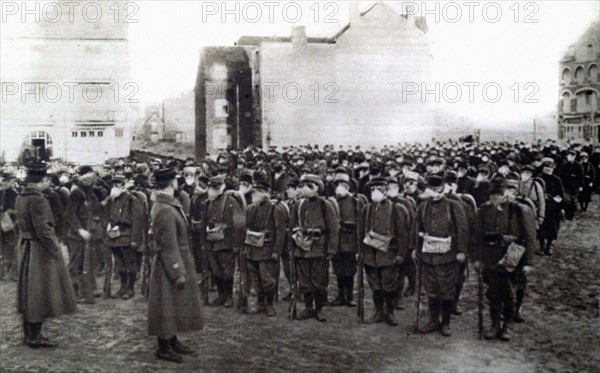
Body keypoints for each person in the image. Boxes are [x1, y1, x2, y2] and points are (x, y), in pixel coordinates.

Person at [15, 161, 76, 348]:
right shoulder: (38, 199)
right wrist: (55, 249)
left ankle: (29, 335)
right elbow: (43, 229)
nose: (48, 183)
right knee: (38, 293)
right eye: (46, 180)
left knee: (27, 293)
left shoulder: (21, 197)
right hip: (39, 250)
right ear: (41, 179)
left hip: (26, 246)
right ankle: (35, 336)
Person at [148, 167, 202, 363]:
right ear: (172, 183)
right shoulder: (164, 208)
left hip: (176, 260)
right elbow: (168, 245)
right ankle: (163, 346)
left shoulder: (166, 204)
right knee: (165, 305)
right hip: (169, 264)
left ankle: (172, 340)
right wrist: (177, 271)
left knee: (173, 304)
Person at [474, 177, 535, 341]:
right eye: (493, 195)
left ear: (507, 193)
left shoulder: (519, 210)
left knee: (509, 293)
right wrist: (477, 259)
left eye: (499, 194)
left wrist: (528, 262)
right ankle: (495, 325)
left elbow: (529, 237)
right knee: (493, 293)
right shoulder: (483, 211)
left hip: (513, 255)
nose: (496, 198)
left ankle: (506, 325)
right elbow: (477, 237)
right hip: (491, 257)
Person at [411, 175, 468, 337]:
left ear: (442, 189)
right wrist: (415, 249)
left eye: (436, 189)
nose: (433, 192)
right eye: (431, 188)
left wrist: (461, 251)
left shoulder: (453, 206)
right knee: (432, 290)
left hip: (448, 257)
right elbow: (417, 229)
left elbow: (463, 230)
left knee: (447, 290)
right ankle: (434, 320)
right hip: (428, 256)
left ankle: (446, 322)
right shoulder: (422, 207)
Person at [361, 177, 409, 326]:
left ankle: (390, 312)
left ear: (386, 191)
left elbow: (402, 234)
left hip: (388, 253)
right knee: (375, 285)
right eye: (372, 189)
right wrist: (360, 251)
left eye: (379, 189)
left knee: (389, 285)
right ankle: (378, 312)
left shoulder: (396, 209)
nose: (375, 192)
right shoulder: (366, 209)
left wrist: (401, 254)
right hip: (370, 254)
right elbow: (360, 231)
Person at [291, 174, 339, 321]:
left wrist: (331, 249)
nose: (305, 188)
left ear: (317, 187)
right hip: (302, 247)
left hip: (319, 247)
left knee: (319, 281)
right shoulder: (298, 205)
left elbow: (333, 228)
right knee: (304, 281)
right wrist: (291, 246)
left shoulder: (326, 205)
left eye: (309, 185)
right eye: (303, 185)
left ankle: (319, 308)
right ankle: (308, 307)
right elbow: (292, 226)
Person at [244, 172, 287, 316]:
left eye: (258, 191)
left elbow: (280, 232)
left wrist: (276, 251)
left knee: (267, 280)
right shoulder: (251, 208)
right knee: (255, 280)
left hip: (267, 250)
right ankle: (260, 303)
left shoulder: (275, 208)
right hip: (252, 248)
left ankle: (269, 304)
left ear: (266, 193)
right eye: (254, 191)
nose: (255, 193)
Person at [103, 175, 145, 299]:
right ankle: (122, 287)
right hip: (114, 236)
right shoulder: (112, 199)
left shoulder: (132, 199)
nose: (115, 186)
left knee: (130, 263)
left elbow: (137, 220)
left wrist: (135, 240)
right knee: (119, 263)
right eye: (114, 184)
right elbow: (107, 215)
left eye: (119, 184)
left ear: (124, 185)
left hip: (127, 235)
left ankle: (130, 289)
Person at [330, 171, 365, 307]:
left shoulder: (356, 201)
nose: (339, 187)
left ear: (348, 186)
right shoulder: (332, 201)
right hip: (337, 241)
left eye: (342, 184)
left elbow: (361, 223)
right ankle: (340, 295)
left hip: (350, 240)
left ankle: (349, 296)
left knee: (349, 270)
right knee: (338, 269)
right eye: (337, 184)